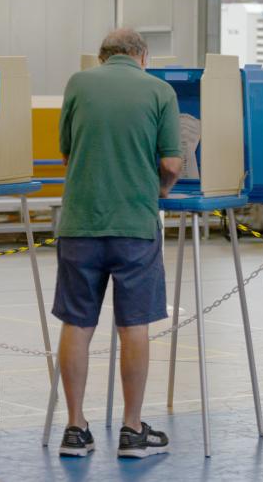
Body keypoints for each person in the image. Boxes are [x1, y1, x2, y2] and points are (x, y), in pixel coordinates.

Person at [53, 28, 182, 458]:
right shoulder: (160, 90)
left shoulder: (78, 82)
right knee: (134, 327)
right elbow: (170, 162)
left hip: (79, 224)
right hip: (134, 224)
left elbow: (68, 154)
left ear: (102, 56)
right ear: (142, 55)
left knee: (77, 324)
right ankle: (131, 430)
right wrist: (162, 187)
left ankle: (75, 428)